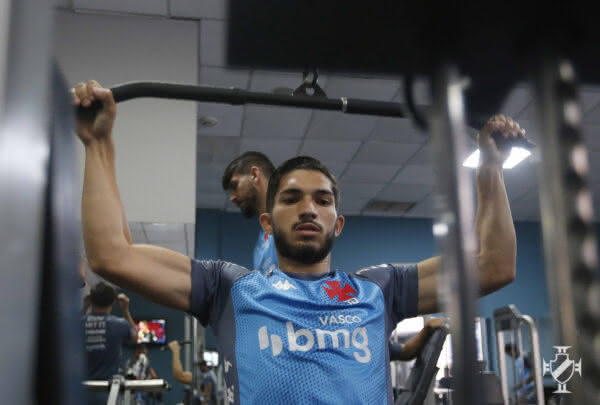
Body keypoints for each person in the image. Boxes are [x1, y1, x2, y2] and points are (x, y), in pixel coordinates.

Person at [73, 80, 518, 404]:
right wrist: (98, 143)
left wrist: (491, 170)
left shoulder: (379, 290)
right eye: (292, 198)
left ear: (337, 223)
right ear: (268, 221)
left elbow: (493, 265)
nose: (309, 209)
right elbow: (112, 255)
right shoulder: (228, 289)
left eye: (322, 200)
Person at [82, 282, 137, 405]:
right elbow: (135, 337)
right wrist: (125, 310)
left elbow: (69, 333)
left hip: (81, 391)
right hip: (108, 393)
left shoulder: (79, 322)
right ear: (113, 302)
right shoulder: (119, 324)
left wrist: (84, 307)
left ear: (91, 300)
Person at [222, 151, 277, 273]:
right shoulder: (261, 244)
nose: (232, 197)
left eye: (235, 185)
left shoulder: (294, 219)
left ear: (255, 175)